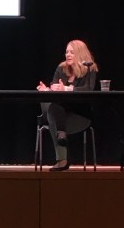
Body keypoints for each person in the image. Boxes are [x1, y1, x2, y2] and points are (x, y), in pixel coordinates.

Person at [36, 39, 98, 171]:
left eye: (72, 52)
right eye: (66, 52)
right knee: (53, 109)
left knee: (53, 114)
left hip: (79, 116)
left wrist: (66, 89)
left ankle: (62, 160)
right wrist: (46, 90)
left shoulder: (90, 68)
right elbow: (54, 88)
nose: (68, 55)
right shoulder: (62, 68)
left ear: (80, 54)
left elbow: (88, 90)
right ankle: (61, 136)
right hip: (59, 115)